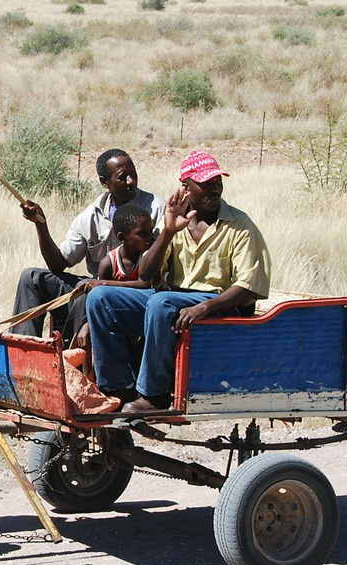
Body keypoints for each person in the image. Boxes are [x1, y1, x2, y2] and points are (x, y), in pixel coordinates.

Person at [84, 150, 271, 413]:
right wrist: (169, 232)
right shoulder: (176, 221)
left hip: (218, 305)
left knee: (162, 302)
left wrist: (204, 308)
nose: (214, 189)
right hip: (173, 301)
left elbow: (248, 287)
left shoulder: (239, 224)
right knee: (100, 299)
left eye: (217, 182)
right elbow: (147, 274)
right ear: (186, 187)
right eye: (205, 184)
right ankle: (117, 389)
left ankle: (154, 395)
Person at [10, 149, 166, 349]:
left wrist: (99, 285)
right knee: (31, 278)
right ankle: (24, 354)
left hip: (136, 291)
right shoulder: (91, 216)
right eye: (122, 178)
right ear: (104, 182)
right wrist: (41, 224)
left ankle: (74, 362)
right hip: (96, 285)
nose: (131, 182)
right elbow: (58, 264)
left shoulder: (156, 208)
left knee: (89, 293)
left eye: (133, 174)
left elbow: (149, 279)